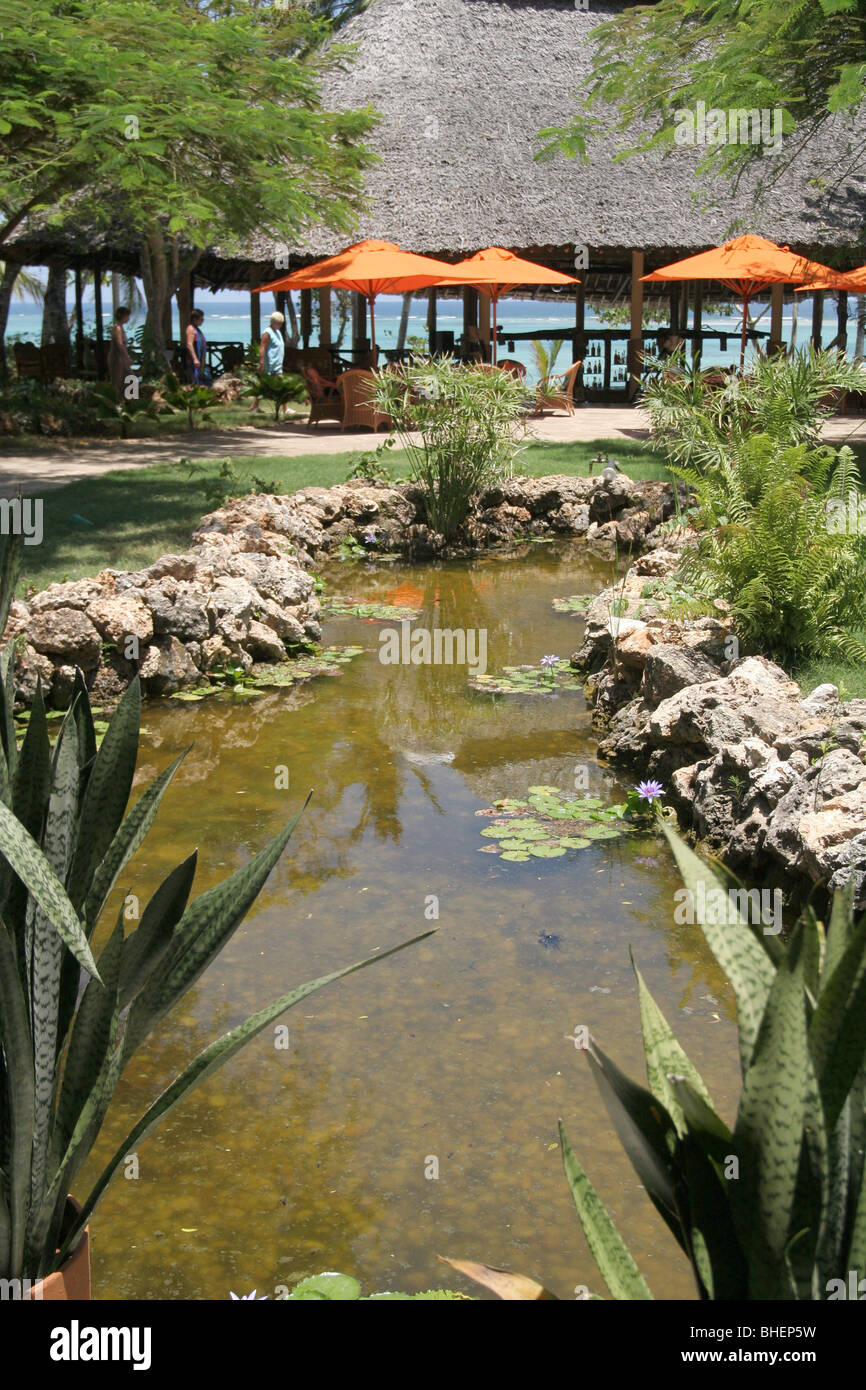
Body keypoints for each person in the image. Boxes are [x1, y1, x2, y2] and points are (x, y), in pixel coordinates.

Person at [248, 310, 287, 415]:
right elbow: (263, 347)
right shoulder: (267, 332)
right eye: (279, 323)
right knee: (264, 386)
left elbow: (279, 348)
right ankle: (255, 406)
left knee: (281, 385)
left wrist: (280, 362)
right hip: (269, 364)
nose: (280, 325)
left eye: (281, 323)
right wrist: (261, 362)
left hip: (277, 365)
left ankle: (285, 408)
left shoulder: (278, 332)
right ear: (273, 322)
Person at [107, 305, 132, 398]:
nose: (128, 318)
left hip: (122, 359)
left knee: (130, 378)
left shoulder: (121, 328)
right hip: (116, 358)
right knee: (117, 381)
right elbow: (120, 344)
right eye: (127, 316)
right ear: (123, 316)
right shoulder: (116, 328)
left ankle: (129, 401)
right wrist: (127, 357)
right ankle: (116, 403)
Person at [185, 308, 208, 383]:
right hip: (194, 361)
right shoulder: (191, 329)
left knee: (203, 381)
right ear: (195, 319)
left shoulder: (196, 329)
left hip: (200, 360)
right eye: (201, 320)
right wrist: (195, 359)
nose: (202, 321)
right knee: (195, 382)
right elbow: (189, 344)